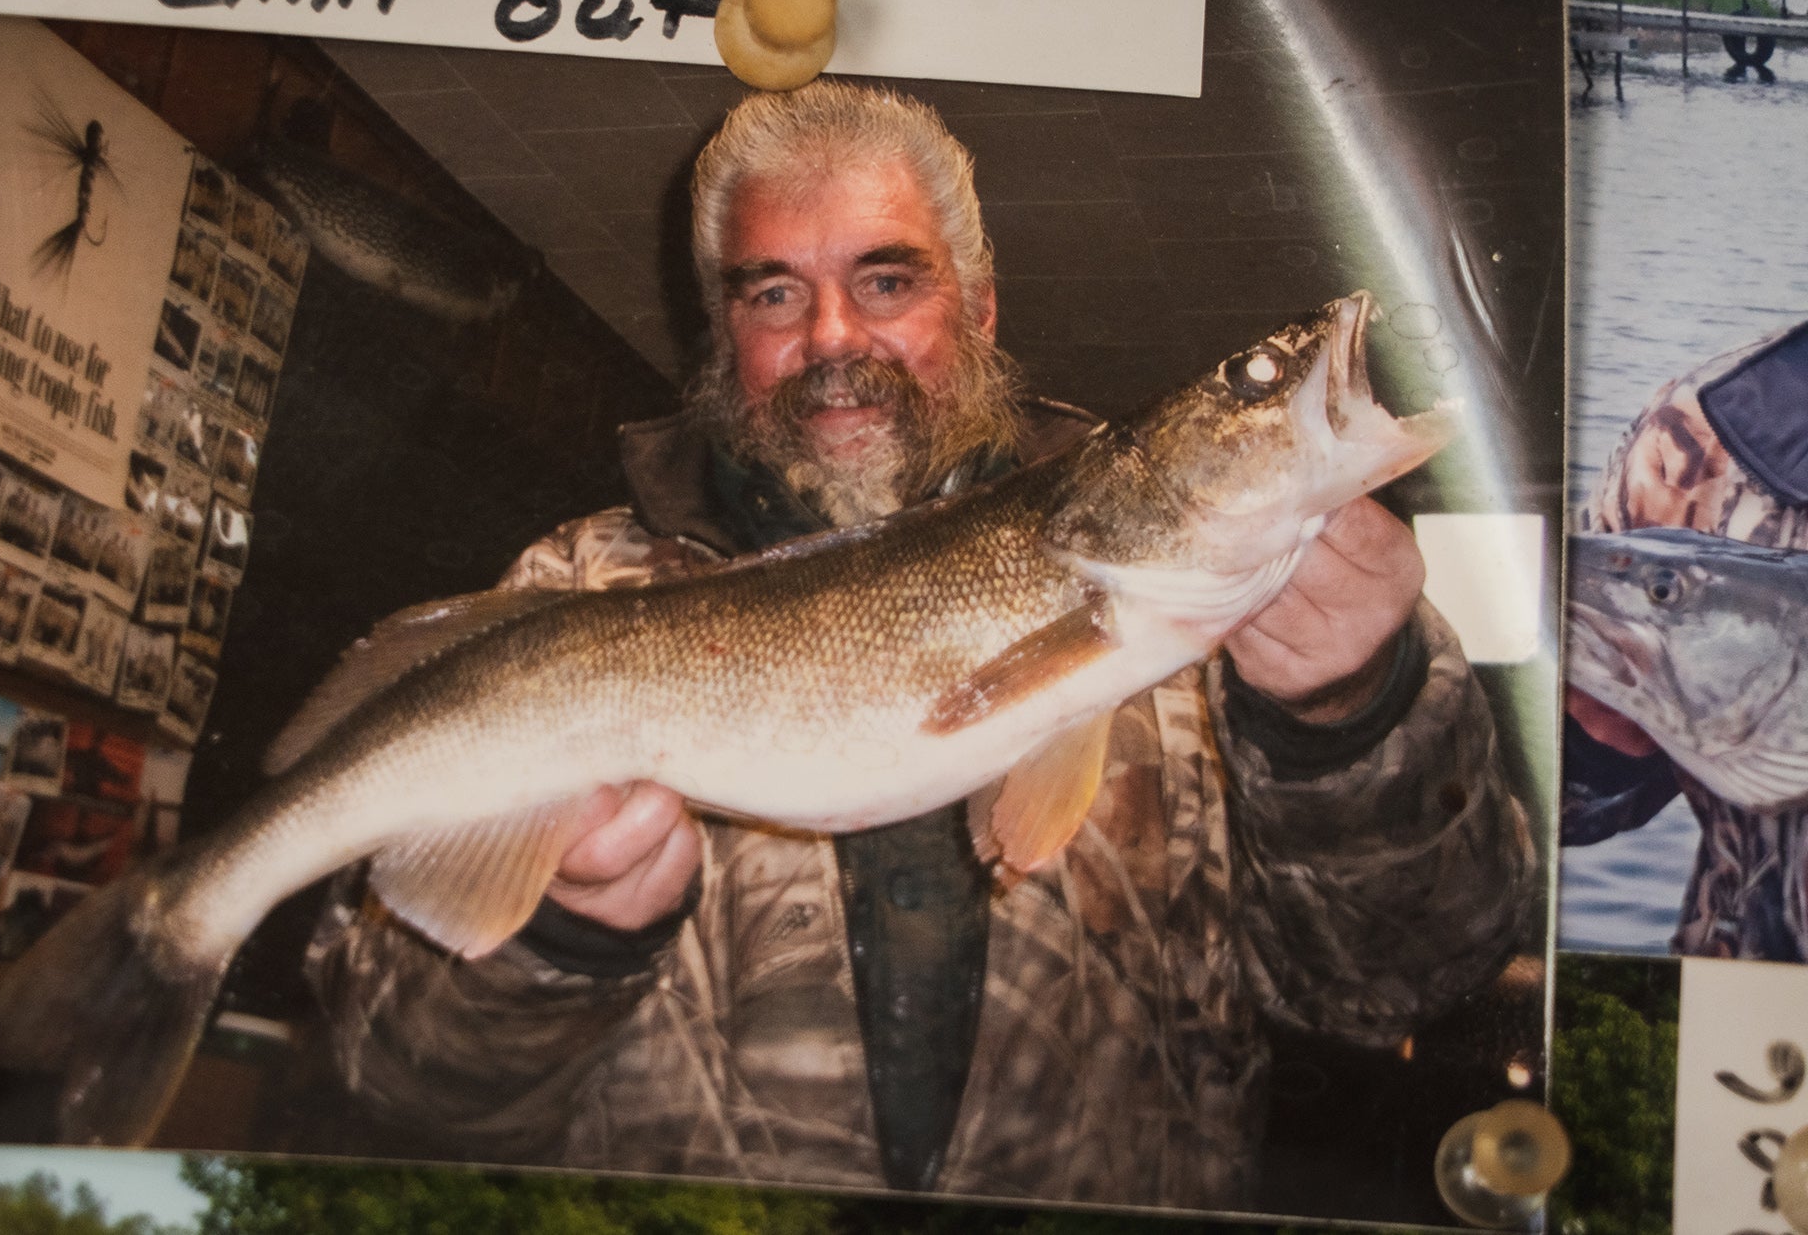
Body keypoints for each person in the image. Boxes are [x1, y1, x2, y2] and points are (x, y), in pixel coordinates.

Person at [304, 82, 1536, 1208]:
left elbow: (1401, 983)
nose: (832, 337)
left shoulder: (1240, 612)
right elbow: (394, 1078)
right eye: (774, 294)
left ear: (980, 304)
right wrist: (563, 935)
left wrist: (1349, 719)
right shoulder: (571, 590)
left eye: (886, 282)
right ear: (723, 331)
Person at [1565, 319, 1808, 960]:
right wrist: (1588, 746)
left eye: (1665, 591)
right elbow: (1517, 814)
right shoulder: (1715, 428)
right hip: (1740, 1005)